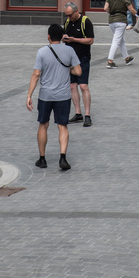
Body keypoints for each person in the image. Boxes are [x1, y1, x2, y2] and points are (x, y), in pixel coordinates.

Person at [27, 23, 81, 171]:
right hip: (63, 95)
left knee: (43, 124)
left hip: (46, 95)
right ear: (62, 36)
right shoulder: (69, 50)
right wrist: (67, 69)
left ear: (48, 36)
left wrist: (29, 95)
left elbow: (36, 74)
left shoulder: (42, 52)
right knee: (62, 126)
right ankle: (63, 157)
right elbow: (78, 71)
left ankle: (42, 158)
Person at [62, 0, 94, 126]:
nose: (68, 17)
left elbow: (90, 40)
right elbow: (64, 36)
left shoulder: (85, 21)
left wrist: (74, 39)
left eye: (70, 15)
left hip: (83, 57)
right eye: (67, 15)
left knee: (83, 86)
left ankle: (87, 115)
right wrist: (64, 39)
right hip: (70, 59)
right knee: (72, 86)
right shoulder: (68, 22)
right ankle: (78, 113)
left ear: (76, 11)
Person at [103, 0, 136, 67]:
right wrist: (137, 15)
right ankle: (110, 61)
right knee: (116, 41)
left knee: (121, 40)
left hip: (112, 21)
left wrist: (111, 11)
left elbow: (105, 8)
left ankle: (127, 58)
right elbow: (131, 9)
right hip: (121, 20)